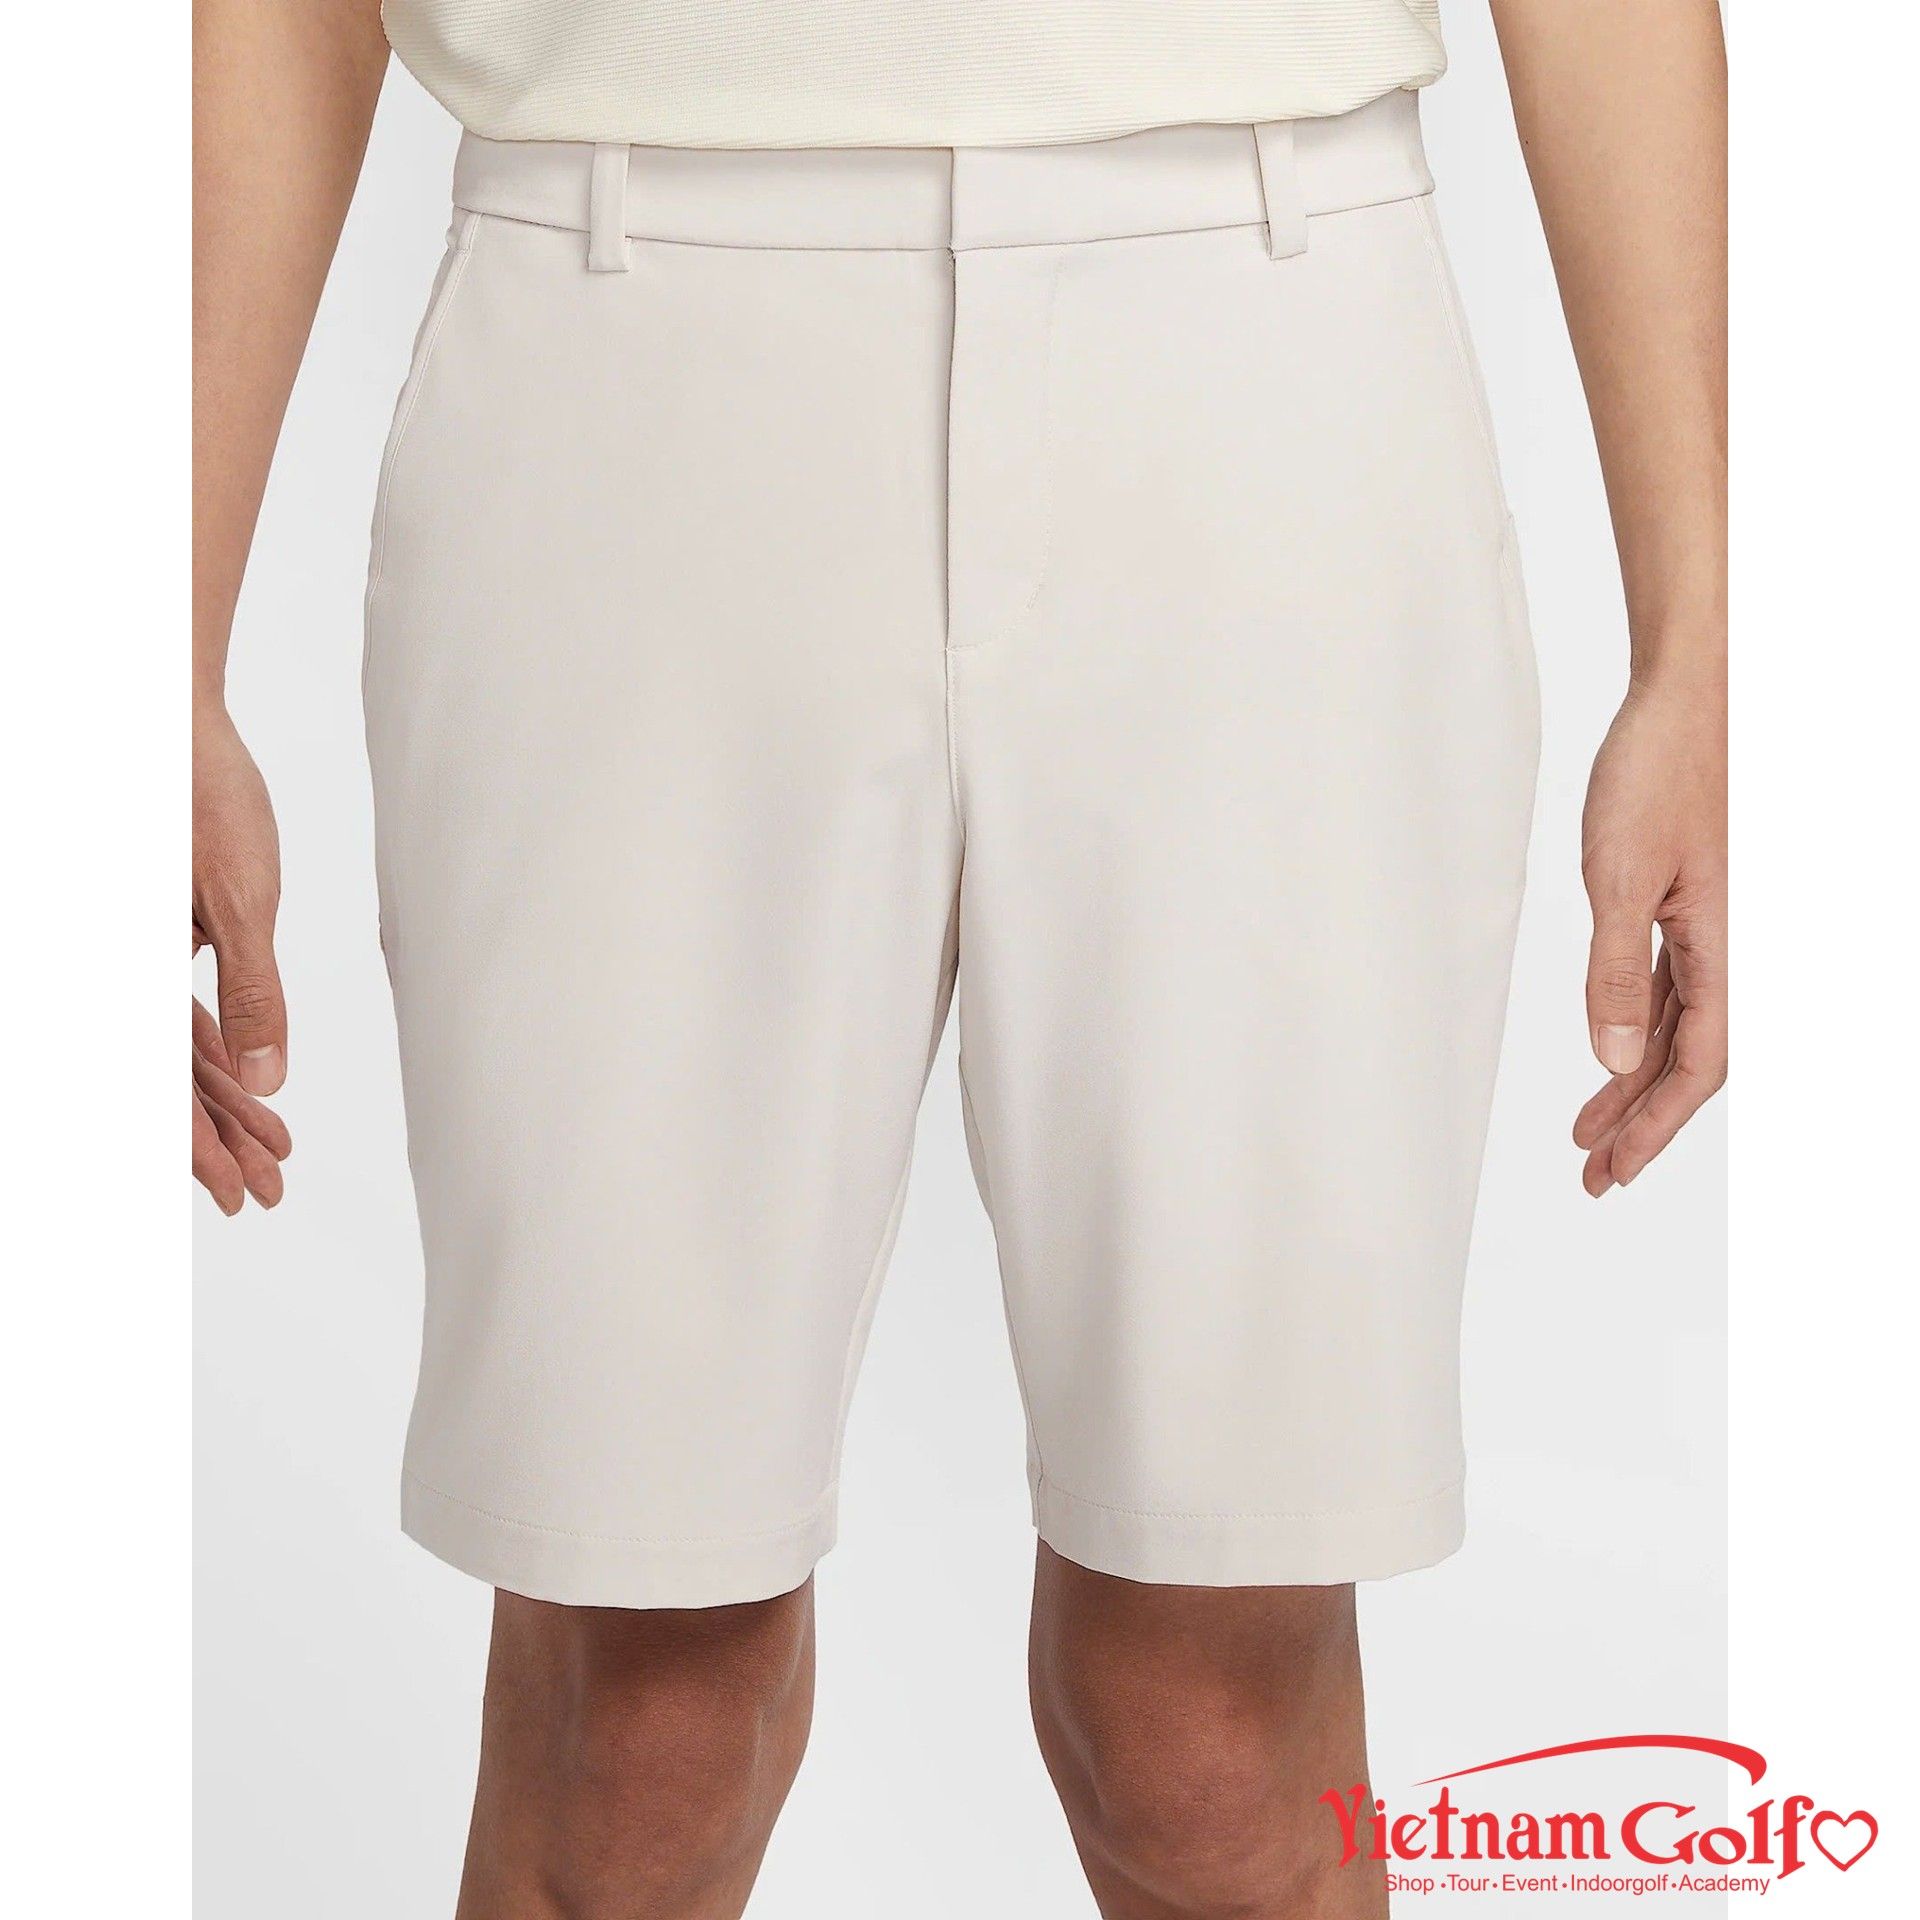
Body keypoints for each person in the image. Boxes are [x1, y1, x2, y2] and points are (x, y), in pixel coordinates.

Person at [194, 2, 1726, 1913]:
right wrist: (148, 639)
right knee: (635, 1728)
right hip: (619, 368)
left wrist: (1703, 641)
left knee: (1212, 1738)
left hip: (1261, 363)